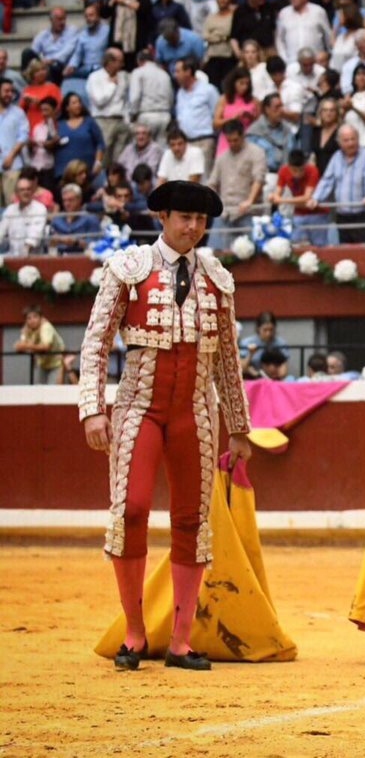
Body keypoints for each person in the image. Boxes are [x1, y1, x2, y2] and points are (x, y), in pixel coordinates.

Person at [78, 180, 252, 672]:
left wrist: (239, 426)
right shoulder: (127, 270)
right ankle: (134, 635)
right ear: (162, 217)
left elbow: (227, 363)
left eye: (201, 221)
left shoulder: (217, 278)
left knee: (191, 522)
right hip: (139, 408)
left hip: (195, 411)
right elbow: (95, 343)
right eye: (184, 218)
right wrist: (93, 407)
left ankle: (179, 642)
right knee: (131, 510)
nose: (193, 228)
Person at [309, 125, 365, 244]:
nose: (350, 143)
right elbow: (327, 180)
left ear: (358, 139)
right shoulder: (336, 157)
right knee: (345, 252)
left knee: (364, 252)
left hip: (364, 215)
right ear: (339, 142)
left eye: (353, 139)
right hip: (343, 215)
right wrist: (315, 198)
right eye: (346, 140)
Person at [207, 120, 267, 250]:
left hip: (248, 212)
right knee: (213, 254)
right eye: (229, 141)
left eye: (235, 140)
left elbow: (259, 179)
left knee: (253, 255)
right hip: (225, 213)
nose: (232, 144)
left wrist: (249, 201)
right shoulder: (222, 158)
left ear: (243, 135)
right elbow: (212, 183)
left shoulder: (257, 153)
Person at [271, 149, 329, 245]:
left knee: (320, 245)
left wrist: (282, 200)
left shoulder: (312, 171)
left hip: (318, 213)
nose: (297, 174)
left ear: (305, 165)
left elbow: (307, 197)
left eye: (301, 170)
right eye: (294, 170)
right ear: (289, 166)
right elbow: (278, 193)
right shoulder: (283, 171)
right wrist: (274, 197)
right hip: (298, 213)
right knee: (297, 244)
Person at [86, 48, 130, 165]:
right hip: (104, 120)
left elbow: (124, 100)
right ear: (110, 62)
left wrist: (127, 120)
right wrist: (112, 85)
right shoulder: (95, 77)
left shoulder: (122, 77)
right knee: (104, 156)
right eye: (120, 62)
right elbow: (99, 101)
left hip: (121, 120)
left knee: (120, 159)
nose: (122, 65)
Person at [105, 0, 154, 72]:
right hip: (118, 42)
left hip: (136, 42)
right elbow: (105, 13)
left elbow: (144, 8)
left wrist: (125, 1)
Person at [276, 0, 333, 65]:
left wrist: (327, 55)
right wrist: (284, 58)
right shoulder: (284, 13)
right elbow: (279, 40)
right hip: (292, 62)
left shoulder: (318, 11)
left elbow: (328, 36)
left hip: (316, 62)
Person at [129, 50, 174, 142]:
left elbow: (135, 97)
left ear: (139, 61)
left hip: (147, 115)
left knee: (144, 149)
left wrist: (132, 114)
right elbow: (171, 97)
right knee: (162, 150)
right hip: (165, 115)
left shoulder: (138, 72)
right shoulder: (164, 74)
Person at [1, 174, 49, 256]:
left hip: (33, 257)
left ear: (32, 191)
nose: (26, 192)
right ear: (16, 193)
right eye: (22, 190)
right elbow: (1, 231)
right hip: (12, 255)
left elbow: (35, 234)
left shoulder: (40, 208)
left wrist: (26, 250)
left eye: (28, 189)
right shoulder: (10, 210)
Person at [15, 305, 65, 383]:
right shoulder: (28, 329)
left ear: (40, 318)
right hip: (43, 365)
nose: (32, 320)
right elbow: (18, 347)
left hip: (57, 364)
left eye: (35, 317)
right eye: (29, 318)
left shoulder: (46, 327)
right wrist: (24, 338)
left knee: (53, 392)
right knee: (41, 391)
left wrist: (26, 346)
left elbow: (46, 347)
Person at [0, 80, 30, 206]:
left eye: (12, 91)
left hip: (12, 166)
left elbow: (23, 136)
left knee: (11, 205)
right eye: (6, 91)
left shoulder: (18, 113)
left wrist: (11, 156)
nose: (9, 94)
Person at [50, 182, 101, 253]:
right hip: (59, 257)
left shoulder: (90, 219)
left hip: (82, 257)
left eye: (70, 200)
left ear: (79, 199)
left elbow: (95, 244)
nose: (67, 204)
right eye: (64, 200)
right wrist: (55, 240)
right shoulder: (57, 220)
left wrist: (76, 242)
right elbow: (49, 243)